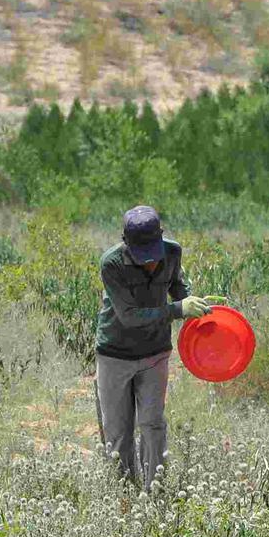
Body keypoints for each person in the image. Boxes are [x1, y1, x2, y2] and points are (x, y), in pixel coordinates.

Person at [95, 205, 223, 489]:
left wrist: (193, 304)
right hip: (115, 354)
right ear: (126, 243)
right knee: (118, 432)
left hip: (155, 353)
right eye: (142, 255)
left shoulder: (173, 252)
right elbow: (128, 316)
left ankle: (156, 493)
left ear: (161, 236)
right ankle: (124, 495)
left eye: (153, 252)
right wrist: (178, 309)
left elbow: (177, 287)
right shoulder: (111, 263)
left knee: (153, 425)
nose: (150, 262)